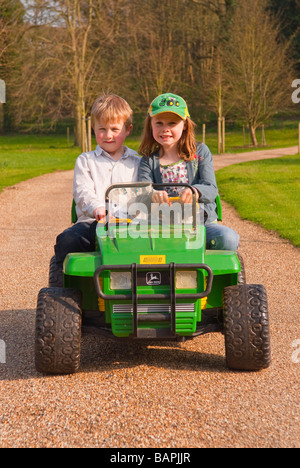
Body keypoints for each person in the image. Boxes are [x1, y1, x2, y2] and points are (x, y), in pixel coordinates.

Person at [138, 92, 239, 251]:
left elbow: (211, 188)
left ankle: (209, 274)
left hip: (199, 224)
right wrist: (151, 194)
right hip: (162, 227)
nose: (165, 129)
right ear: (150, 125)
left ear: (184, 125)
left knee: (228, 238)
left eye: (172, 123)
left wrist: (195, 192)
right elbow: (141, 190)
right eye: (159, 123)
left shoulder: (200, 152)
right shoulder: (148, 160)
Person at [54, 93, 141, 269]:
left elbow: (145, 192)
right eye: (102, 129)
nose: (108, 135)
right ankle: (64, 285)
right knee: (66, 241)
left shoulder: (137, 162)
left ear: (128, 129)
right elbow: (82, 191)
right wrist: (97, 208)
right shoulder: (86, 160)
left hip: (132, 224)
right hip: (94, 224)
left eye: (115, 129)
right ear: (93, 128)